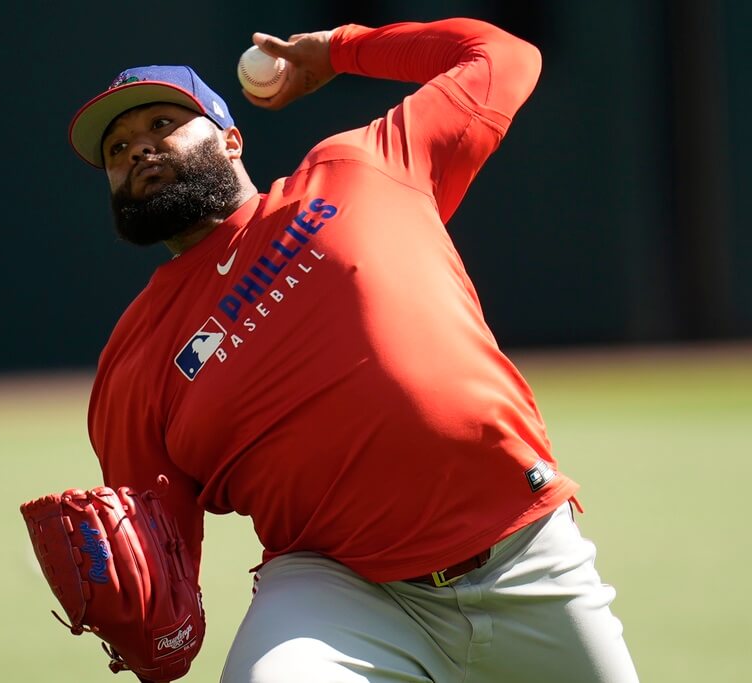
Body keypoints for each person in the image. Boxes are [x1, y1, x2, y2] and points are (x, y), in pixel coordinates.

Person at [68, 17, 639, 683]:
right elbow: (157, 582)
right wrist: (147, 627)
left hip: (521, 549)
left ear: (231, 139)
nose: (138, 149)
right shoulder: (134, 360)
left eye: (162, 124)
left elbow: (502, 57)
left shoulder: (358, 166)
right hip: (337, 594)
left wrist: (340, 51)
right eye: (116, 149)